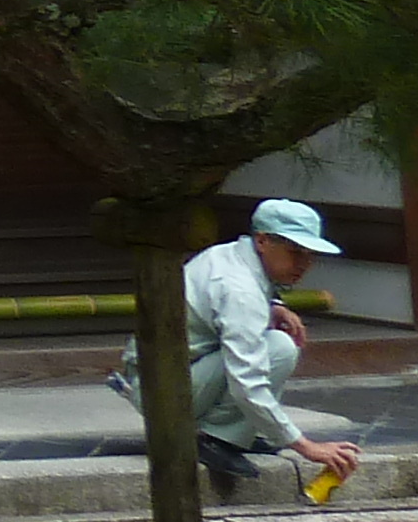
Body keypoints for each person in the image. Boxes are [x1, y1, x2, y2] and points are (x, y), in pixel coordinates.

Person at [114, 196, 367, 501]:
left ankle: (237, 433)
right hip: (162, 391)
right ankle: (215, 439)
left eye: (309, 254)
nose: (304, 264)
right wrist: (304, 445)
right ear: (262, 241)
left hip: (164, 376)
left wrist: (275, 305)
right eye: (294, 252)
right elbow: (247, 382)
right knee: (277, 349)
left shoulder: (232, 255)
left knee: (277, 345)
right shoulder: (240, 290)